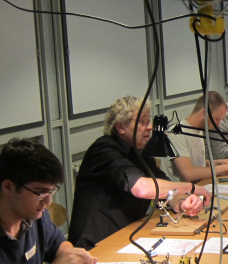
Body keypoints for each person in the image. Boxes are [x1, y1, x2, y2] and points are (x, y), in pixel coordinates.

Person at [69, 96, 208, 250]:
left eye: (149, 121)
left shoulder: (140, 152)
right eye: (142, 122)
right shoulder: (103, 150)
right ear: (120, 127)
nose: (149, 127)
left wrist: (182, 203)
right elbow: (142, 188)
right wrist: (191, 187)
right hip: (94, 245)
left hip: (127, 236)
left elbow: (164, 188)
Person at [168, 91, 228, 182]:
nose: (218, 125)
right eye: (217, 119)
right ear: (204, 113)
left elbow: (197, 163)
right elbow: (189, 173)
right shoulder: (176, 133)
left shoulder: (199, 131)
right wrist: (227, 168)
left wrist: (218, 163)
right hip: (182, 193)